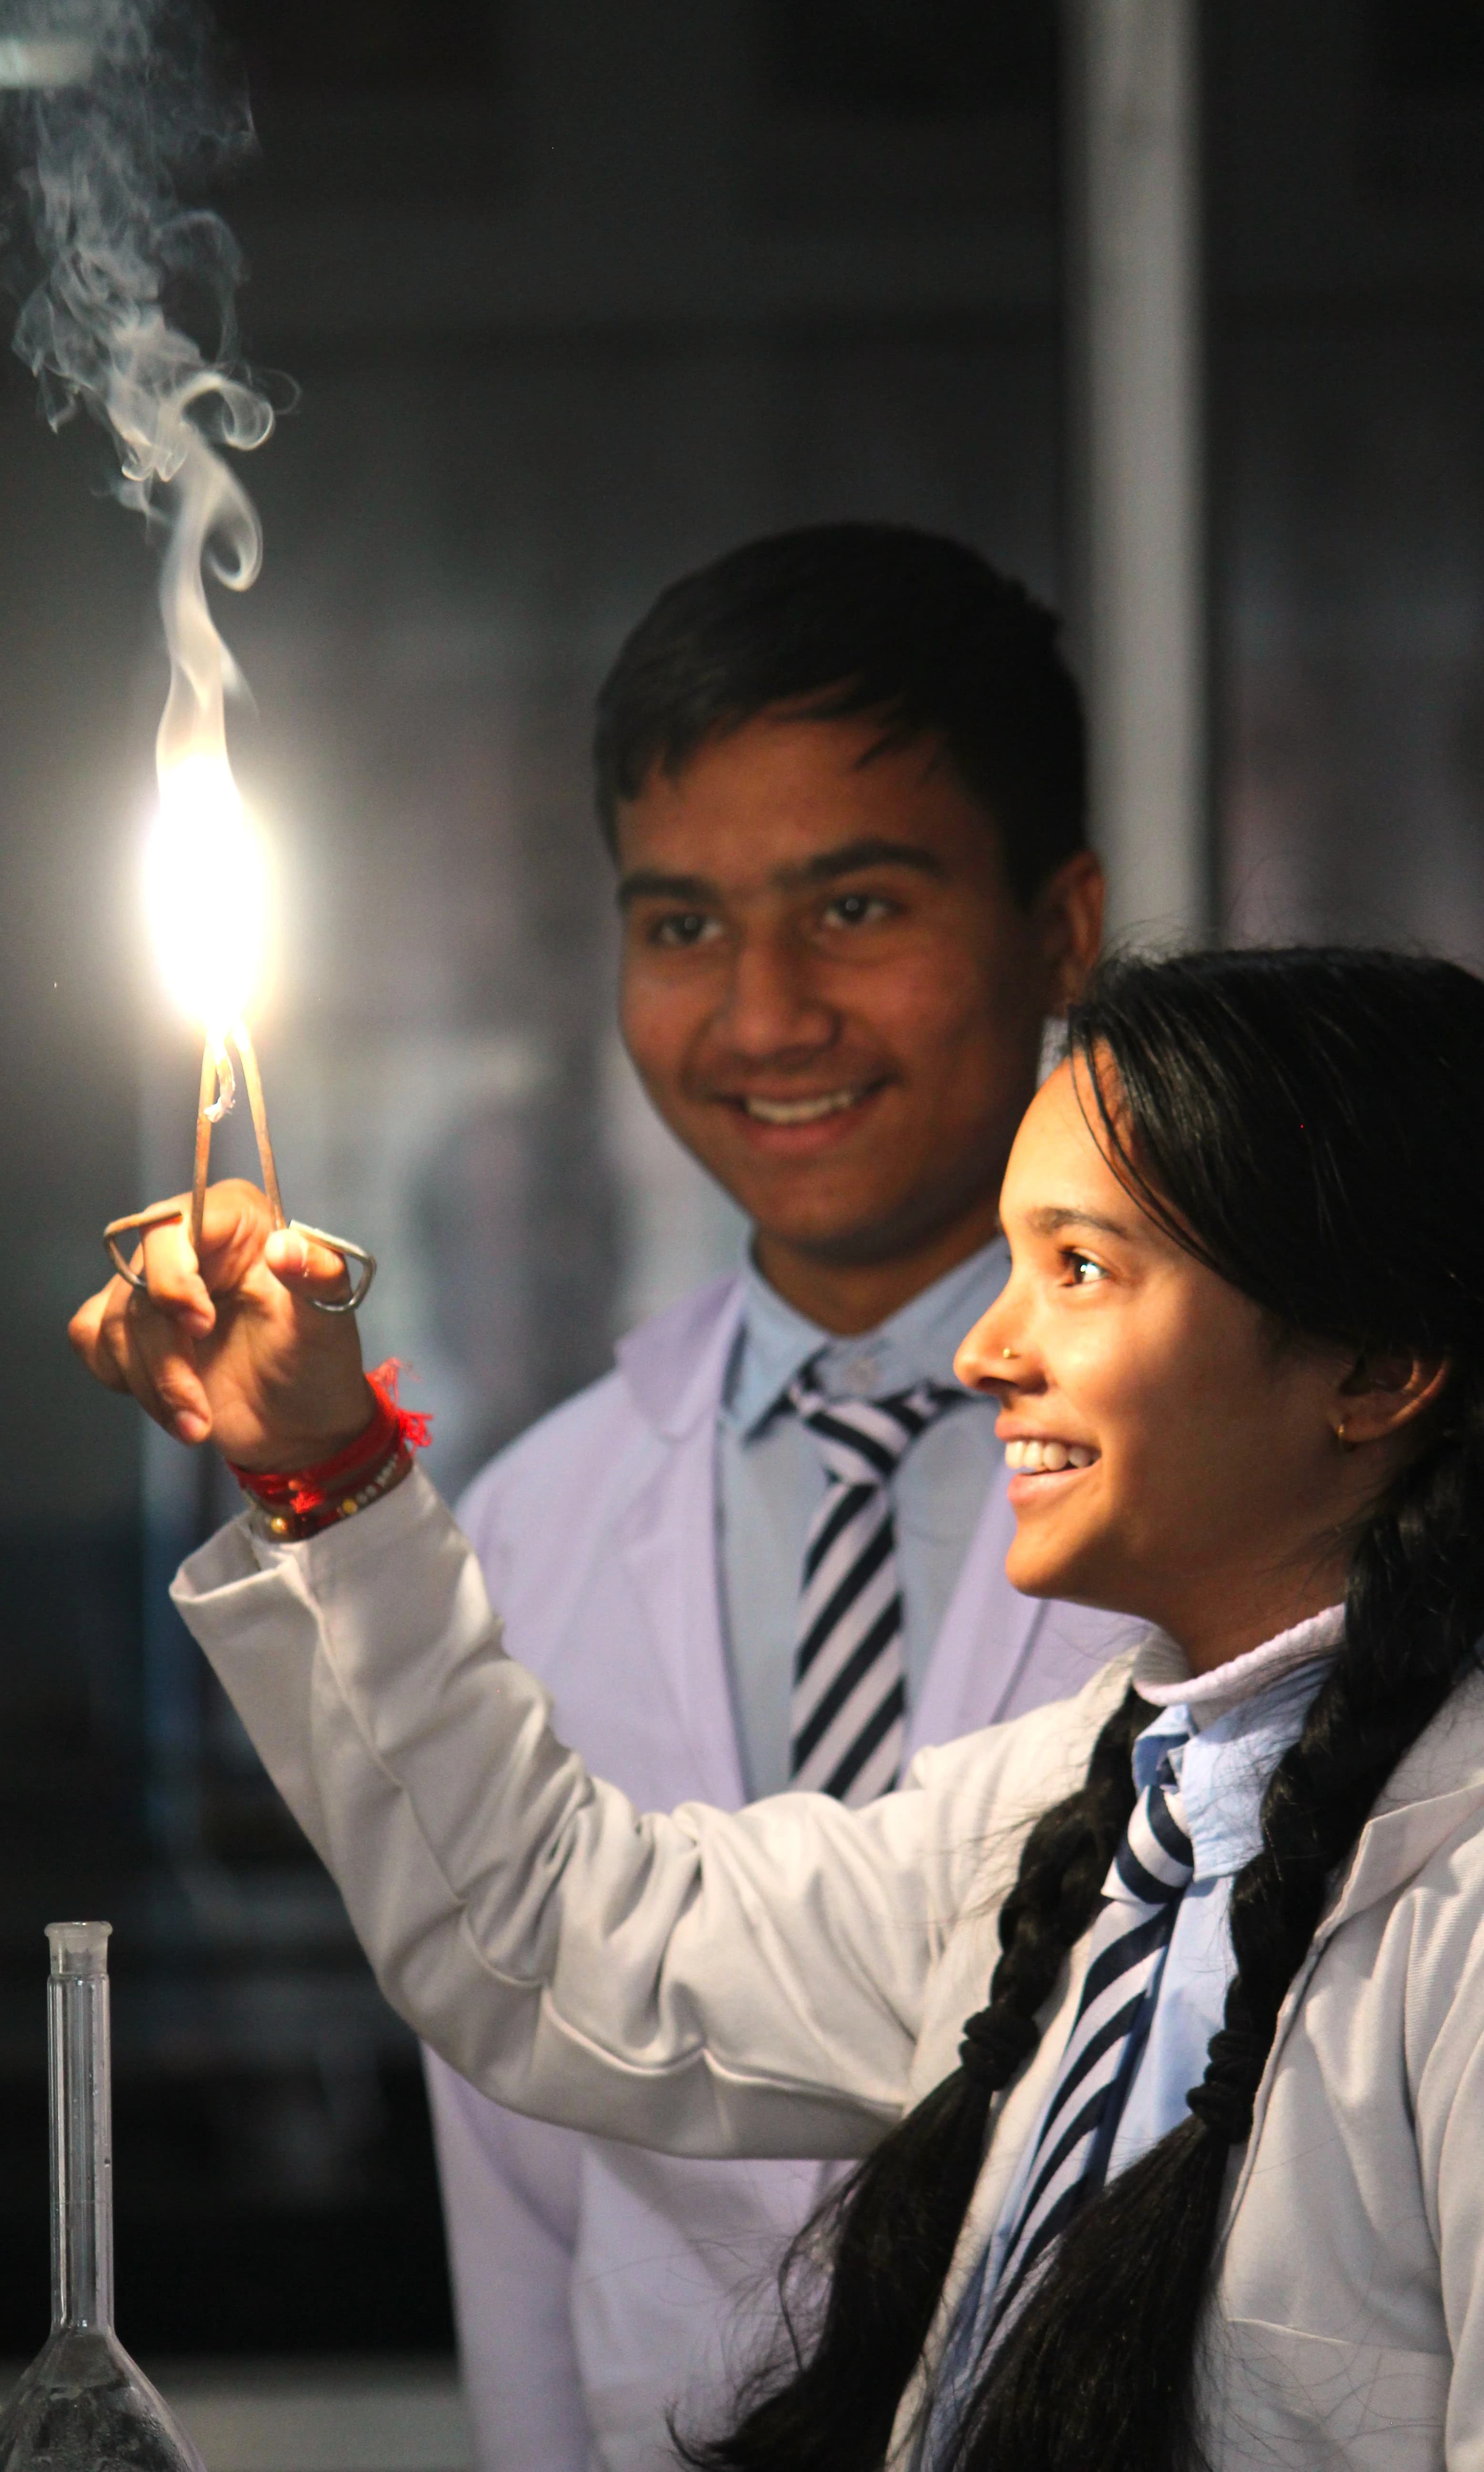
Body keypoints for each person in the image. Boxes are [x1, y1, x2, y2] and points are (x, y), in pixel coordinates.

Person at [73, 945, 1484, 2472]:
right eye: (1011, 1265)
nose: (984, 1352)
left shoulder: (1451, 1909)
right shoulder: (1077, 1817)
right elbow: (562, 1940)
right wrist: (321, 1470)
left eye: (1079, 1269)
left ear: (1382, 1366)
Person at [434, 525, 1119, 2463]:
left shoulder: (1247, 1477)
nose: (760, 1017)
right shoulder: (537, 1525)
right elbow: (519, 2190)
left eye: (856, 909)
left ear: (1061, 925)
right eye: (680, 927)